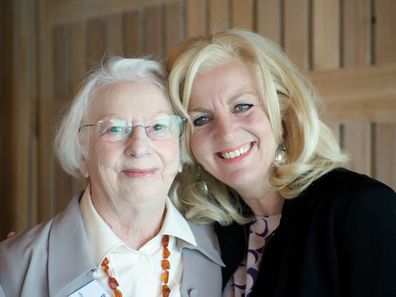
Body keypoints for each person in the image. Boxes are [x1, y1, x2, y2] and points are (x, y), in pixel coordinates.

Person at [167, 29, 396, 297]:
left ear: (283, 108)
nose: (226, 133)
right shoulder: (214, 231)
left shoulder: (362, 209)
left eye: (242, 106)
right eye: (201, 119)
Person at [0, 57, 223, 297]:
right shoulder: (12, 268)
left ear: (180, 153)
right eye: (115, 129)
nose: (139, 147)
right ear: (83, 153)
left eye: (158, 127)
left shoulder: (226, 245)